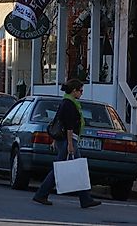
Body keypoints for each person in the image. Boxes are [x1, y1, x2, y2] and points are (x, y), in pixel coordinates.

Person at [32, 79, 100, 209]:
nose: (81, 93)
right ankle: (84, 198)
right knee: (72, 169)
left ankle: (84, 198)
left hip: (64, 140)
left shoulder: (66, 102)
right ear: (74, 91)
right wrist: (70, 144)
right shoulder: (69, 104)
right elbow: (69, 126)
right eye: (80, 90)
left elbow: (58, 122)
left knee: (66, 168)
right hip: (69, 140)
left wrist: (55, 140)